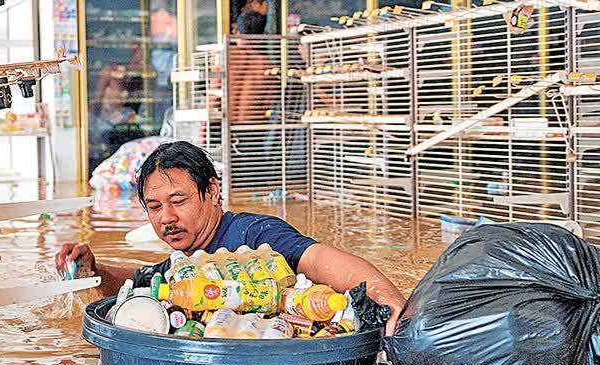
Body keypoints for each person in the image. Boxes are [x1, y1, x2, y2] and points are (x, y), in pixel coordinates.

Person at [56, 141, 407, 335]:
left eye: (179, 201)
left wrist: (388, 303)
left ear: (212, 191)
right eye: (154, 207)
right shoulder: (187, 262)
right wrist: (94, 268)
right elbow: (143, 280)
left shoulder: (254, 235)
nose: (167, 218)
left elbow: (317, 259)